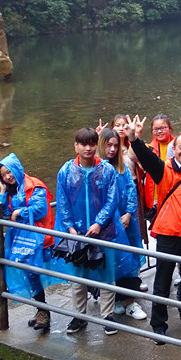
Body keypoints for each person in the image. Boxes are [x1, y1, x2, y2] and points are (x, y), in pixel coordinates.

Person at [128, 119, 181, 338]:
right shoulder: (164, 170)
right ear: (174, 150)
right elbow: (147, 159)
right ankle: (159, 325)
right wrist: (134, 139)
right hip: (168, 234)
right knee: (162, 280)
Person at [53, 127, 130, 335]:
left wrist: (99, 223)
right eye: (83, 144)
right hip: (76, 231)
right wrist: (69, 227)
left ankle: (108, 316)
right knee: (78, 277)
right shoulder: (66, 171)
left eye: (91, 144)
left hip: (104, 231)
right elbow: (62, 202)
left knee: (107, 274)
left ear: (97, 145)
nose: (88, 148)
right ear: (76, 146)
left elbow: (112, 200)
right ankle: (79, 316)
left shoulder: (107, 170)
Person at [0, 153, 55, 331]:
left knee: (39, 272)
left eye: (9, 172)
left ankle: (44, 312)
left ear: (17, 168)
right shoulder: (12, 190)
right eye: (3, 175)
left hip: (39, 238)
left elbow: (40, 209)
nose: (7, 176)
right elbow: (2, 211)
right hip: (23, 240)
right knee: (30, 274)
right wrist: (2, 193)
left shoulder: (34, 185)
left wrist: (19, 213)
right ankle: (41, 310)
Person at [98, 129, 147, 322]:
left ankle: (129, 301)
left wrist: (128, 213)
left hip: (126, 223)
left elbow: (130, 189)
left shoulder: (122, 168)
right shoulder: (96, 168)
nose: (112, 149)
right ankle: (116, 300)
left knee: (129, 260)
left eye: (115, 145)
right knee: (110, 262)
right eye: (108, 145)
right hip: (106, 225)